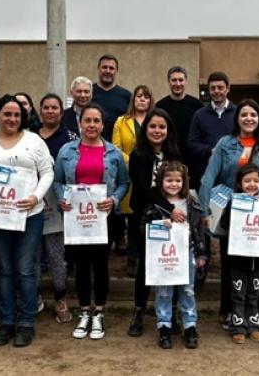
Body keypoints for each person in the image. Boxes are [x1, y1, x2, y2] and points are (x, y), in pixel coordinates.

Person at [0, 95, 54, 347]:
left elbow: (48, 172)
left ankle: (27, 322)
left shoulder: (34, 141)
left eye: (17, 115)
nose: (12, 119)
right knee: (5, 270)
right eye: (7, 114)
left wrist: (35, 197)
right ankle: (7, 321)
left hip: (29, 215)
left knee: (26, 269)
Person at [199, 99, 259, 331]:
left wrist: (255, 201)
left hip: (258, 209)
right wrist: (204, 210)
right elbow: (209, 176)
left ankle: (256, 314)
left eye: (253, 114)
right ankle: (230, 311)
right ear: (237, 119)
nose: (249, 118)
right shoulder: (225, 143)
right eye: (244, 115)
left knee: (258, 263)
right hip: (230, 211)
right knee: (230, 263)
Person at [54, 104, 130, 340]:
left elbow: (124, 183)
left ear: (103, 125)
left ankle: (99, 312)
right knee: (81, 266)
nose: (92, 125)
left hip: (103, 218)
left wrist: (114, 199)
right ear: (80, 123)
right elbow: (57, 182)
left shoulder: (114, 154)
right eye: (87, 120)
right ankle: (84, 311)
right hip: (77, 219)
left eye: (96, 121)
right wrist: (62, 198)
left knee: (100, 265)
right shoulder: (67, 151)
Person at [126, 109, 183, 336]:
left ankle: (172, 312)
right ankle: (139, 310)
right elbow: (143, 188)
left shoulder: (176, 154)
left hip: (175, 219)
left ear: (168, 130)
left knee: (173, 263)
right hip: (145, 217)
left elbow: (183, 183)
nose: (157, 131)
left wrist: (178, 210)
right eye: (152, 126)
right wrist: (168, 209)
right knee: (145, 266)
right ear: (145, 129)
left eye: (162, 127)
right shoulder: (138, 155)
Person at [139, 162, 207, 349]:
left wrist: (202, 253)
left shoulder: (191, 201)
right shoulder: (155, 204)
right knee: (163, 292)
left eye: (178, 180)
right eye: (169, 180)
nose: (173, 184)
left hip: (187, 253)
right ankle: (164, 327)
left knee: (187, 290)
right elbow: (142, 228)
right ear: (161, 181)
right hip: (162, 257)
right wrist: (160, 223)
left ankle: (190, 326)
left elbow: (198, 229)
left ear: (184, 182)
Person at [37, 93, 78, 323]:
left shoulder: (70, 138)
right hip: (31, 204)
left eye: (55, 108)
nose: (50, 111)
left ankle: (60, 299)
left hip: (59, 204)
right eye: (46, 107)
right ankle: (33, 297)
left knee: (56, 256)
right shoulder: (29, 137)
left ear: (61, 113)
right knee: (31, 256)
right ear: (40, 111)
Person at [218, 164, 259, 344]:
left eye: (256, 181)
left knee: (254, 293)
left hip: (258, 259)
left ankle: (254, 325)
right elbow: (224, 225)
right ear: (240, 183)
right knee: (238, 293)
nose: (252, 184)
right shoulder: (234, 202)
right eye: (247, 181)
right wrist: (237, 213)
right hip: (238, 259)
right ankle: (238, 326)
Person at [111, 85, 154, 256]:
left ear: (150, 101)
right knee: (131, 216)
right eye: (139, 96)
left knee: (148, 214)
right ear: (133, 100)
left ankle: (147, 255)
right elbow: (116, 148)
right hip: (128, 173)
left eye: (146, 97)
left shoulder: (155, 120)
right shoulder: (121, 121)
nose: (142, 100)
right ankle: (131, 257)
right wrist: (135, 163)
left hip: (151, 174)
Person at [187, 71, 236, 189]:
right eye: (213, 88)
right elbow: (191, 143)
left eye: (220, 87)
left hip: (232, 174)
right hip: (207, 174)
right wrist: (210, 151)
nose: (216, 91)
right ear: (209, 90)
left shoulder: (238, 113)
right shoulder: (199, 115)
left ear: (228, 89)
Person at [154, 66, 204, 160]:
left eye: (181, 80)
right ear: (169, 82)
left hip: (193, 159)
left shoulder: (197, 105)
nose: (178, 84)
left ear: (186, 82)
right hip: (168, 157)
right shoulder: (160, 106)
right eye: (174, 80)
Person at [91, 54, 132, 140]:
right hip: (92, 142)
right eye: (104, 67)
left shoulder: (126, 96)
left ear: (116, 71)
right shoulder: (88, 93)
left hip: (118, 145)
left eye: (111, 68)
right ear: (98, 69)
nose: (108, 71)